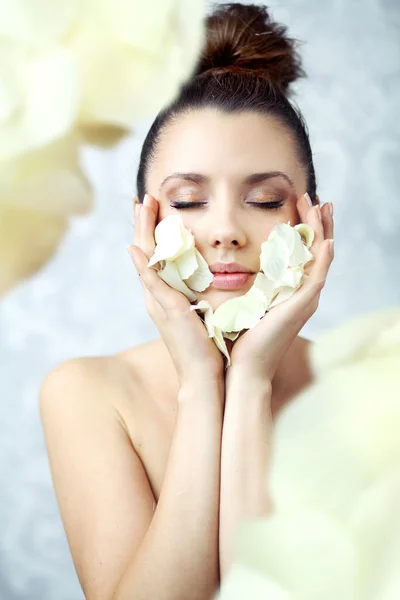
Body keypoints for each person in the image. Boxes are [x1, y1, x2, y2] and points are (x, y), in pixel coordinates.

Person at [40, 3, 334, 599]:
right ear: (144, 221)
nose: (225, 230)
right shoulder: (87, 393)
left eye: (265, 200)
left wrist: (249, 382)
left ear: (312, 220)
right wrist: (201, 384)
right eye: (189, 201)